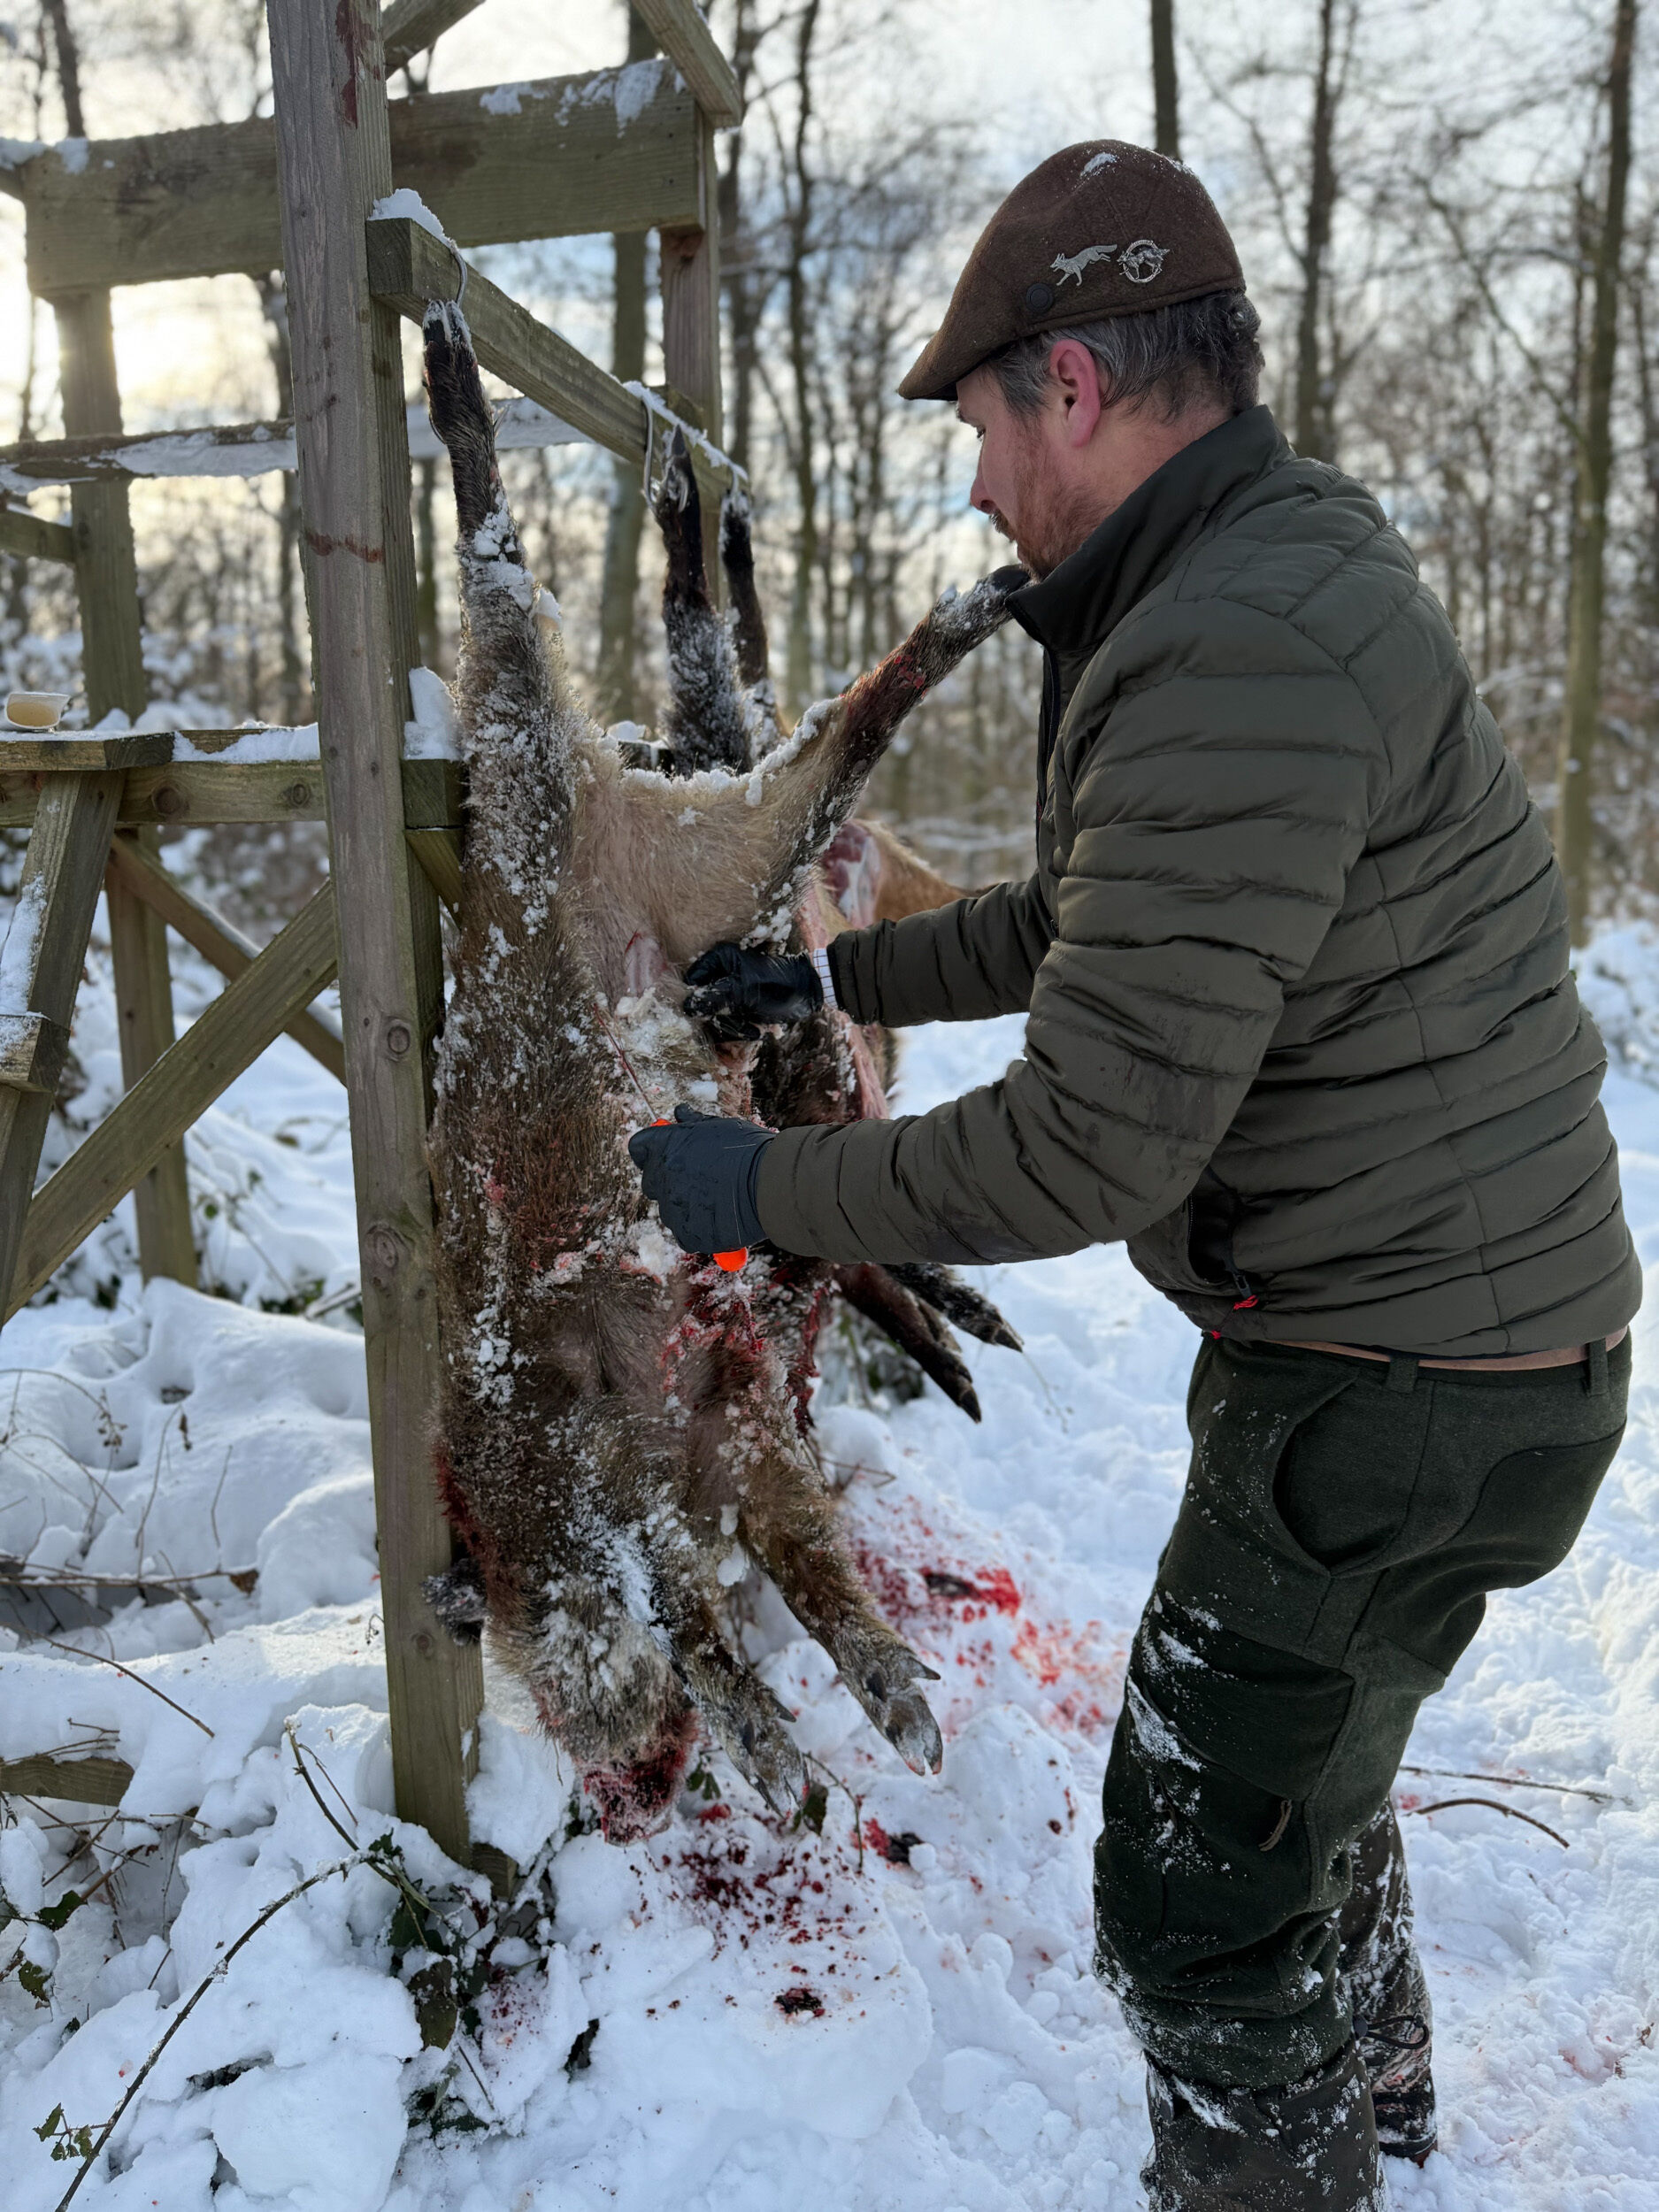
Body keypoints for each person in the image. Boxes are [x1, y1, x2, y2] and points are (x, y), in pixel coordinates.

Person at [627, 141, 1640, 2209]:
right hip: (1459, 1352)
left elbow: (1094, 1138)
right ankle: (1380, 2116)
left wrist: (748, 1188)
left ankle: (1293, 2163)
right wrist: (822, 963)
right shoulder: (1250, 575)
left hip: (1397, 1388)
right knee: (1302, 1774)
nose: (983, 486)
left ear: (1073, 385)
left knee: (1191, 1881)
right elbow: (1091, 917)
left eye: (989, 427)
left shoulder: (1228, 641)